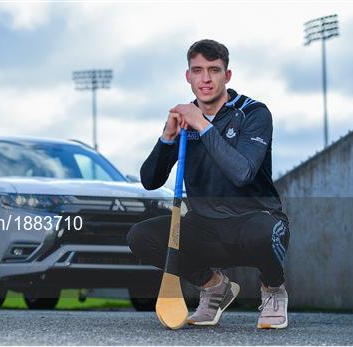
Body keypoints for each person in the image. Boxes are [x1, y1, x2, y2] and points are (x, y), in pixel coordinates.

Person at [127, 39, 290, 329]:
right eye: (197, 70)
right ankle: (214, 287)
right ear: (188, 76)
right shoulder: (184, 118)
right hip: (206, 227)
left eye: (214, 70)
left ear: (227, 76)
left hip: (254, 222)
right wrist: (167, 138)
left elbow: (242, 173)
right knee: (140, 236)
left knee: (263, 233)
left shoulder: (253, 113)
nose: (205, 78)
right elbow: (150, 181)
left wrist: (203, 125)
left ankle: (273, 289)